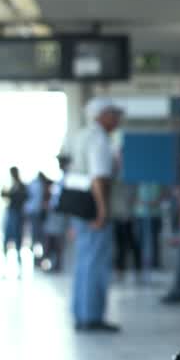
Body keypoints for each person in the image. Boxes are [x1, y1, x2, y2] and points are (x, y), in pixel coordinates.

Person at [62, 97, 123, 333]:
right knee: (96, 262)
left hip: (79, 208)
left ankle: (81, 313)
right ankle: (92, 316)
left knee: (84, 261)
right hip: (92, 209)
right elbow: (99, 178)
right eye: (114, 114)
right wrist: (102, 211)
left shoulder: (81, 136)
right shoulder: (99, 140)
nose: (117, 119)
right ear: (102, 115)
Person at [0, 166, 27, 275]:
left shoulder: (21, 187)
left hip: (17, 216)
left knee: (18, 242)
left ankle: (19, 269)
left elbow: (21, 197)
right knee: (7, 241)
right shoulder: (13, 186)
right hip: (12, 215)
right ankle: (5, 268)